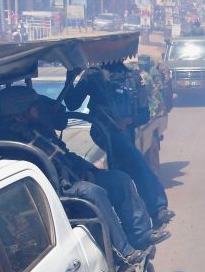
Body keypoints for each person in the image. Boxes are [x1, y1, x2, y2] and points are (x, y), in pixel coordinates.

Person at [0, 87, 166, 264]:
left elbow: (63, 154)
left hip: (72, 176)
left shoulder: (36, 128)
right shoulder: (5, 140)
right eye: (34, 106)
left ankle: (142, 235)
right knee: (94, 193)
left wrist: (89, 170)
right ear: (20, 111)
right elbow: (34, 172)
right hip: (51, 187)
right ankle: (123, 251)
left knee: (120, 179)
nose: (38, 110)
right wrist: (71, 179)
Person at [65, 65, 175, 228]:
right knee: (138, 165)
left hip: (126, 133)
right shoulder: (93, 76)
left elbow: (144, 114)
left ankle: (135, 224)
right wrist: (70, 77)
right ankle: (157, 210)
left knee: (123, 177)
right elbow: (73, 104)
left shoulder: (134, 77)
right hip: (104, 131)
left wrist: (128, 121)